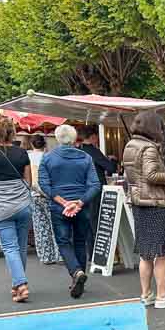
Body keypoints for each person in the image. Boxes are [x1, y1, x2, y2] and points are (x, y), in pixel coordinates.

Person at [122, 110, 165, 309]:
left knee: (145, 253)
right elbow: (151, 175)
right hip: (156, 203)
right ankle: (162, 296)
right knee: (162, 253)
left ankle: (146, 294)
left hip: (139, 203)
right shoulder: (149, 148)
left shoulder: (130, 145)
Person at [39, 124, 100, 298]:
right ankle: (79, 275)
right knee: (80, 241)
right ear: (74, 139)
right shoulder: (86, 158)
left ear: (57, 138)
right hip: (82, 205)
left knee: (64, 241)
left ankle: (76, 272)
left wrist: (63, 202)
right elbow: (95, 185)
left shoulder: (48, 158)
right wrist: (79, 202)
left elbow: (44, 184)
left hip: (59, 207)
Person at [0, 116, 34, 303]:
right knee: (20, 248)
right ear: (12, 133)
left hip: (0, 207)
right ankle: (18, 285)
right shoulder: (22, 153)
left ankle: (21, 284)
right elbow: (29, 182)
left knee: (9, 247)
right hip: (23, 205)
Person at [79, 128, 117, 250]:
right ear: (93, 137)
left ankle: (91, 251)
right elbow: (110, 168)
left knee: (88, 220)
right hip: (96, 189)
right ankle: (99, 250)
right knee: (97, 219)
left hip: (83, 189)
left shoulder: (79, 150)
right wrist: (112, 160)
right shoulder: (93, 151)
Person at [27, 134, 61, 264]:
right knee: (55, 225)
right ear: (45, 145)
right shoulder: (50, 157)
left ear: (31, 144)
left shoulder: (27, 158)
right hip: (49, 194)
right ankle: (59, 254)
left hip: (34, 195)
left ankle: (46, 255)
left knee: (40, 225)